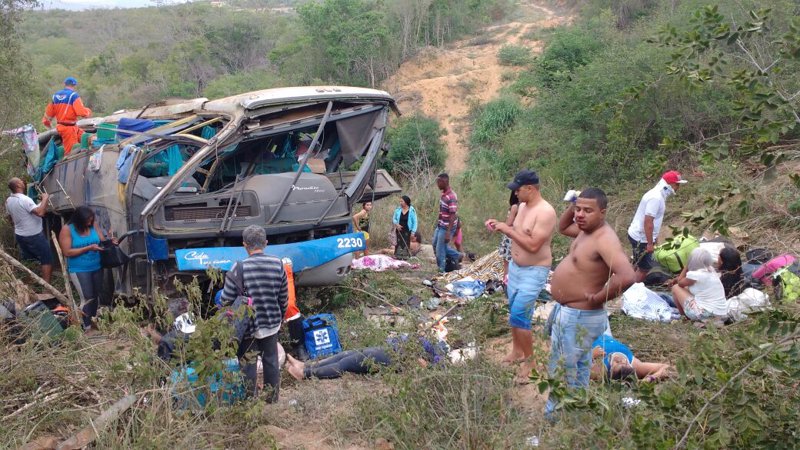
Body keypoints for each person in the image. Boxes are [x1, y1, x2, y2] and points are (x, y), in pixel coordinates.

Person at [545, 188, 636, 417]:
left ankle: (562, 418)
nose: (580, 215)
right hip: (569, 313)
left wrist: (599, 297)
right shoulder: (585, 231)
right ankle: (567, 414)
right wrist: (572, 205)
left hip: (581, 316)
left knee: (567, 368)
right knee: (572, 366)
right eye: (578, 209)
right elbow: (563, 227)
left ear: (602, 213)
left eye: (588, 210)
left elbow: (627, 275)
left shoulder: (604, 239)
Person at [485, 170, 556, 382]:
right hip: (516, 268)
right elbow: (517, 231)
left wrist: (507, 230)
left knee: (520, 315)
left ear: (530, 189)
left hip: (534, 270)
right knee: (514, 310)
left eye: (518, 189)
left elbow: (534, 245)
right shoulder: (523, 207)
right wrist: (499, 225)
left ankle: (531, 363)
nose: (515, 193)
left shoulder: (545, 212)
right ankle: (517, 351)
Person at [219, 225, 287, 403]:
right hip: (271, 322)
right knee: (271, 360)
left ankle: (250, 402)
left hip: (247, 326)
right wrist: (281, 315)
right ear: (265, 243)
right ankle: (272, 399)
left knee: (248, 363)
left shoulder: (238, 268)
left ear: (244, 245)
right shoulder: (277, 263)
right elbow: (283, 296)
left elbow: (226, 299)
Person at [284, 334, 447, 380]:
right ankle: (306, 366)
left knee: (346, 363)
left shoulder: (441, 355)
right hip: (390, 349)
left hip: (394, 358)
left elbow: (428, 369)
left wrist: (417, 360)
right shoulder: (436, 342)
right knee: (347, 354)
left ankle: (304, 374)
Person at [627, 171, 688, 283]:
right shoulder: (656, 198)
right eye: (676, 184)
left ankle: (625, 282)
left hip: (639, 235)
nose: (678, 187)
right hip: (641, 238)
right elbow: (648, 222)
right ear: (669, 184)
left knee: (637, 263)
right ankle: (629, 290)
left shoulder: (657, 195)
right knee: (644, 269)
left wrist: (654, 239)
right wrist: (650, 243)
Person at [58, 206, 111, 330]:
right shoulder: (67, 230)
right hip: (79, 269)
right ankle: (84, 326)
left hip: (96, 266)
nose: (89, 222)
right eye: (87, 220)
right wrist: (88, 248)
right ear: (78, 220)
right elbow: (67, 252)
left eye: (91, 220)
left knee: (96, 295)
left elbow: (101, 241)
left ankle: (93, 321)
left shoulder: (93, 225)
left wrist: (109, 241)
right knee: (87, 297)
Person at [6, 178, 53, 283]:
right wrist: (45, 198)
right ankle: (47, 288)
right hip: (33, 235)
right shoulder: (24, 199)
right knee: (47, 259)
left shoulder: (9, 200)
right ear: (18, 185)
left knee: (29, 260)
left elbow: (10, 218)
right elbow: (40, 213)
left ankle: (29, 285)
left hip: (20, 235)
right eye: (21, 181)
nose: (23, 182)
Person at [671, 247, 729, 321]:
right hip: (721, 314)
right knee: (686, 289)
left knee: (676, 288)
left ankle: (685, 317)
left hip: (705, 313)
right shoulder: (711, 270)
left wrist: (686, 266)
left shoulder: (695, 274)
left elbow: (680, 283)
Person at [42, 77, 92, 156]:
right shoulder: (73, 96)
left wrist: (47, 124)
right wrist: (88, 112)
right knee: (71, 153)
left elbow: (48, 115)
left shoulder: (55, 96)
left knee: (87, 137)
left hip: (64, 127)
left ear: (64, 84)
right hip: (69, 129)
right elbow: (81, 112)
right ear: (74, 85)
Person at [590, 334, 672, 382]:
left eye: (617, 363)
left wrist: (590, 355)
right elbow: (667, 369)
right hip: (604, 331)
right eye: (625, 362)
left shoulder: (599, 370)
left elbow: (578, 371)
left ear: (610, 371)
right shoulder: (635, 364)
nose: (620, 359)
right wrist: (650, 379)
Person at [432, 173, 461, 272]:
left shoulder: (451, 196)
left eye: (438, 182)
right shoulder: (444, 194)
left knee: (440, 250)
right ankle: (458, 255)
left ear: (444, 182)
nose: (437, 184)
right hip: (441, 225)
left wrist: (448, 232)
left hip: (447, 227)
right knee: (435, 245)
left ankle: (441, 271)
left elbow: (453, 215)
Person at [498, 191, 520, 283]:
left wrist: (500, 225)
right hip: (516, 237)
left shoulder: (515, 207)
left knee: (507, 263)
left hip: (509, 238)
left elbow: (509, 223)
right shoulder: (524, 207)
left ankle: (505, 282)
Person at [392, 195, 418, 259]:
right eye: (400, 201)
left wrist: (413, 232)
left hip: (407, 230)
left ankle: (405, 257)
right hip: (399, 230)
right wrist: (396, 224)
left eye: (402, 201)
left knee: (405, 243)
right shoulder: (398, 210)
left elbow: (415, 222)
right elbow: (394, 218)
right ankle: (398, 256)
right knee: (398, 243)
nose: (400, 203)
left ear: (406, 202)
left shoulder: (412, 210)